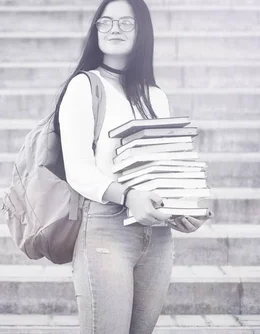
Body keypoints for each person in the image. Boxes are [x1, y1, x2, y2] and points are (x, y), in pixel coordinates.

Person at [54, 0, 213, 333]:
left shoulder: (155, 95)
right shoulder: (84, 86)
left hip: (157, 235)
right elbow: (79, 170)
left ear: (142, 31)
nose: (114, 29)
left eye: (126, 23)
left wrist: (180, 207)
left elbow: (162, 163)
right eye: (106, 22)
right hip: (105, 230)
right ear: (95, 29)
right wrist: (128, 197)